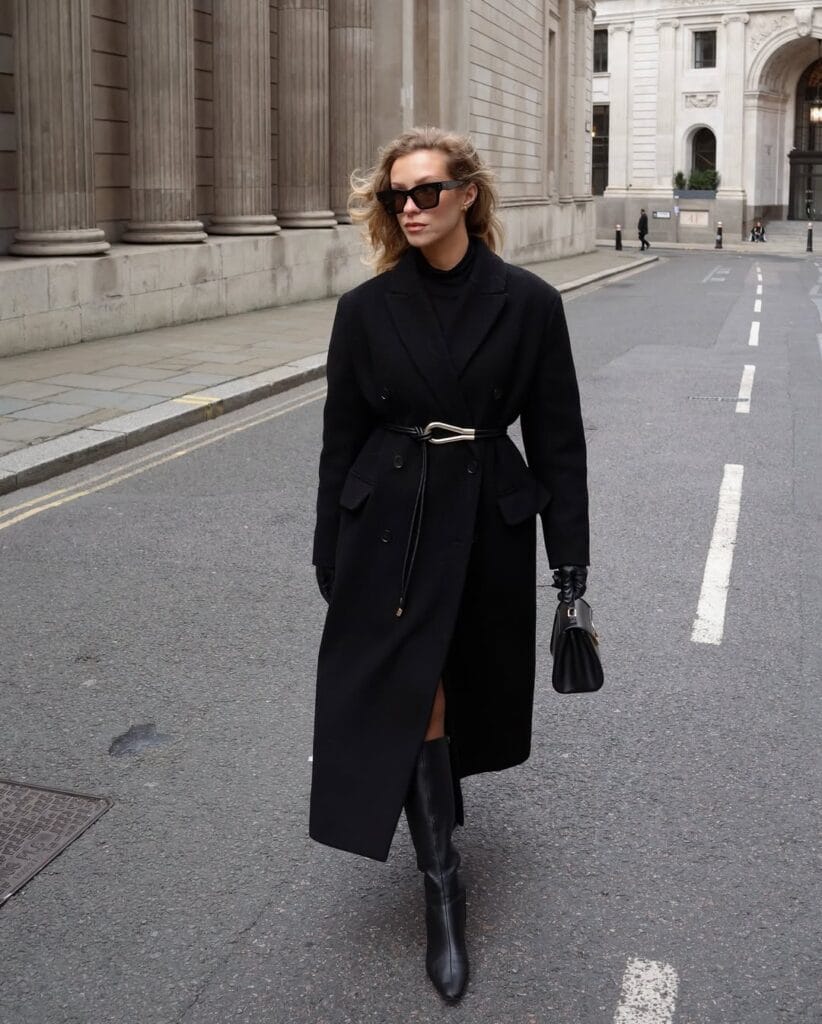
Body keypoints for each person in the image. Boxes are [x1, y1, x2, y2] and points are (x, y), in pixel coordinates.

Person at [310, 127, 590, 1004]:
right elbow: (339, 438)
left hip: (485, 517)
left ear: (469, 193)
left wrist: (570, 566)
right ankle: (443, 887)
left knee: (460, 680)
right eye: (399, 195)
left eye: (429, 191)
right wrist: (330, 546)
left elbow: (558, 441)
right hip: (390, 521)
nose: (412, 208)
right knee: (414, 688)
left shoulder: (530, 303)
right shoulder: (366, 310)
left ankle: (441, 826)